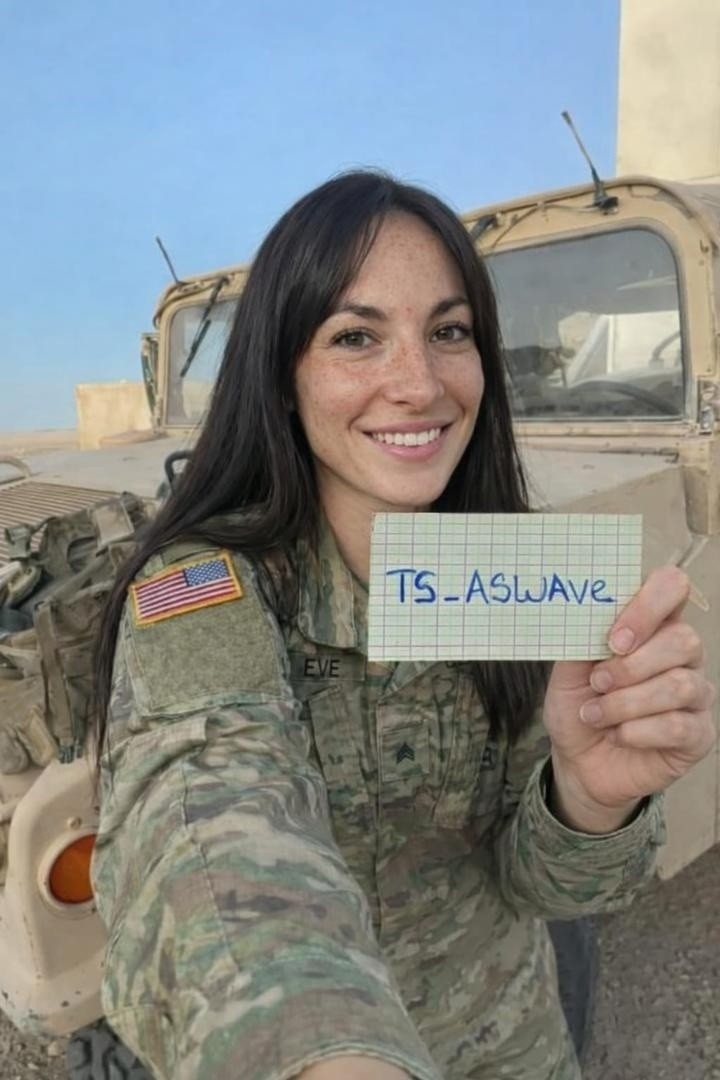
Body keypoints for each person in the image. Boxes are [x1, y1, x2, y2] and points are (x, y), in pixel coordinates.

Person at [91, 171, 716, 1080]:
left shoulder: (512, 571)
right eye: (356, 337)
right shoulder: (209, 591)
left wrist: (587, 797)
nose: (418, 385)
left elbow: (542, 887)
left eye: (449, 332)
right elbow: (215, 834)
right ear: (283, 374)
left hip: (513, 1043)